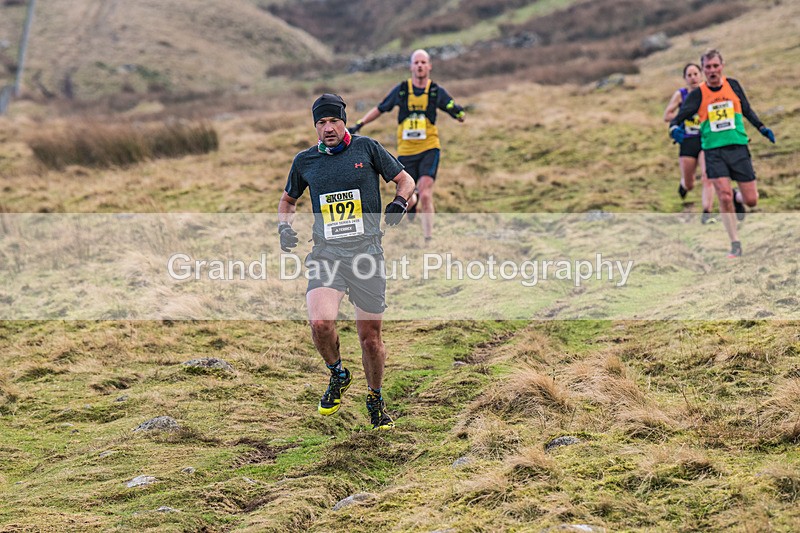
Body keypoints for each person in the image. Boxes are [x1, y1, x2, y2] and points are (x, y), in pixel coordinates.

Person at [278, 94, 415, 430]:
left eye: (333, 121)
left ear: (343, 120)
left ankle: (375, 397)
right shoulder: (305, 161)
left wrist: (399, 203)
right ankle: (338, 374)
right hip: (327, 254)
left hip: (366, 253)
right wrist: (284, 227)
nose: (328, 128)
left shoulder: (367, 149)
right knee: (320, 324)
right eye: (321, 123)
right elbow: (287, 200)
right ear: (315, 126)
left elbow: (406, 180)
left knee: (370, 338)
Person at [348, 49, 466, 242]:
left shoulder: (435, 91)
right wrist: (360, 124)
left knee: (426, 193)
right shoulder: (402, 90)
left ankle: (428, 239)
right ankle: (412, 203)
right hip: (406, 151)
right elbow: (381, 108)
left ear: (429, 66)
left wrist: (460, 114)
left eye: (423, 62)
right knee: (408, 196)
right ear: (411, 66)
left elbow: (454, 109)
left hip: (429, 148)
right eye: (416, 62)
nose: (420, 66)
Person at [669, 49, 775, 257]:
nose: (712, 70)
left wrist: (762, 128)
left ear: (722, 66)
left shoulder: (733, 85)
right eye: (707, 67)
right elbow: (678, 117)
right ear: (704, 70)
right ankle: (735, 243)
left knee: (751, 199)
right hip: (713, 151)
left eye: (715, 66)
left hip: (738, 147)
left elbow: (746, 109)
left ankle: (739, 197)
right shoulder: (698, 94)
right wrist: (674, 129)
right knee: (723, 197)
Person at [663, 62, 717, 224]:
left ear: (701, 75)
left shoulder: (708, 93)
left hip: (705, 139)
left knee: (708, 177)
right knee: (690, 183)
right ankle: (683, 185)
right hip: (687, 141)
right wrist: (683, 116)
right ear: (685, 78)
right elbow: (667, 115)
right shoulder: (681, 95)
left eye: (695, 74)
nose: (693, 78)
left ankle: (707, 212)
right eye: (689, 75)